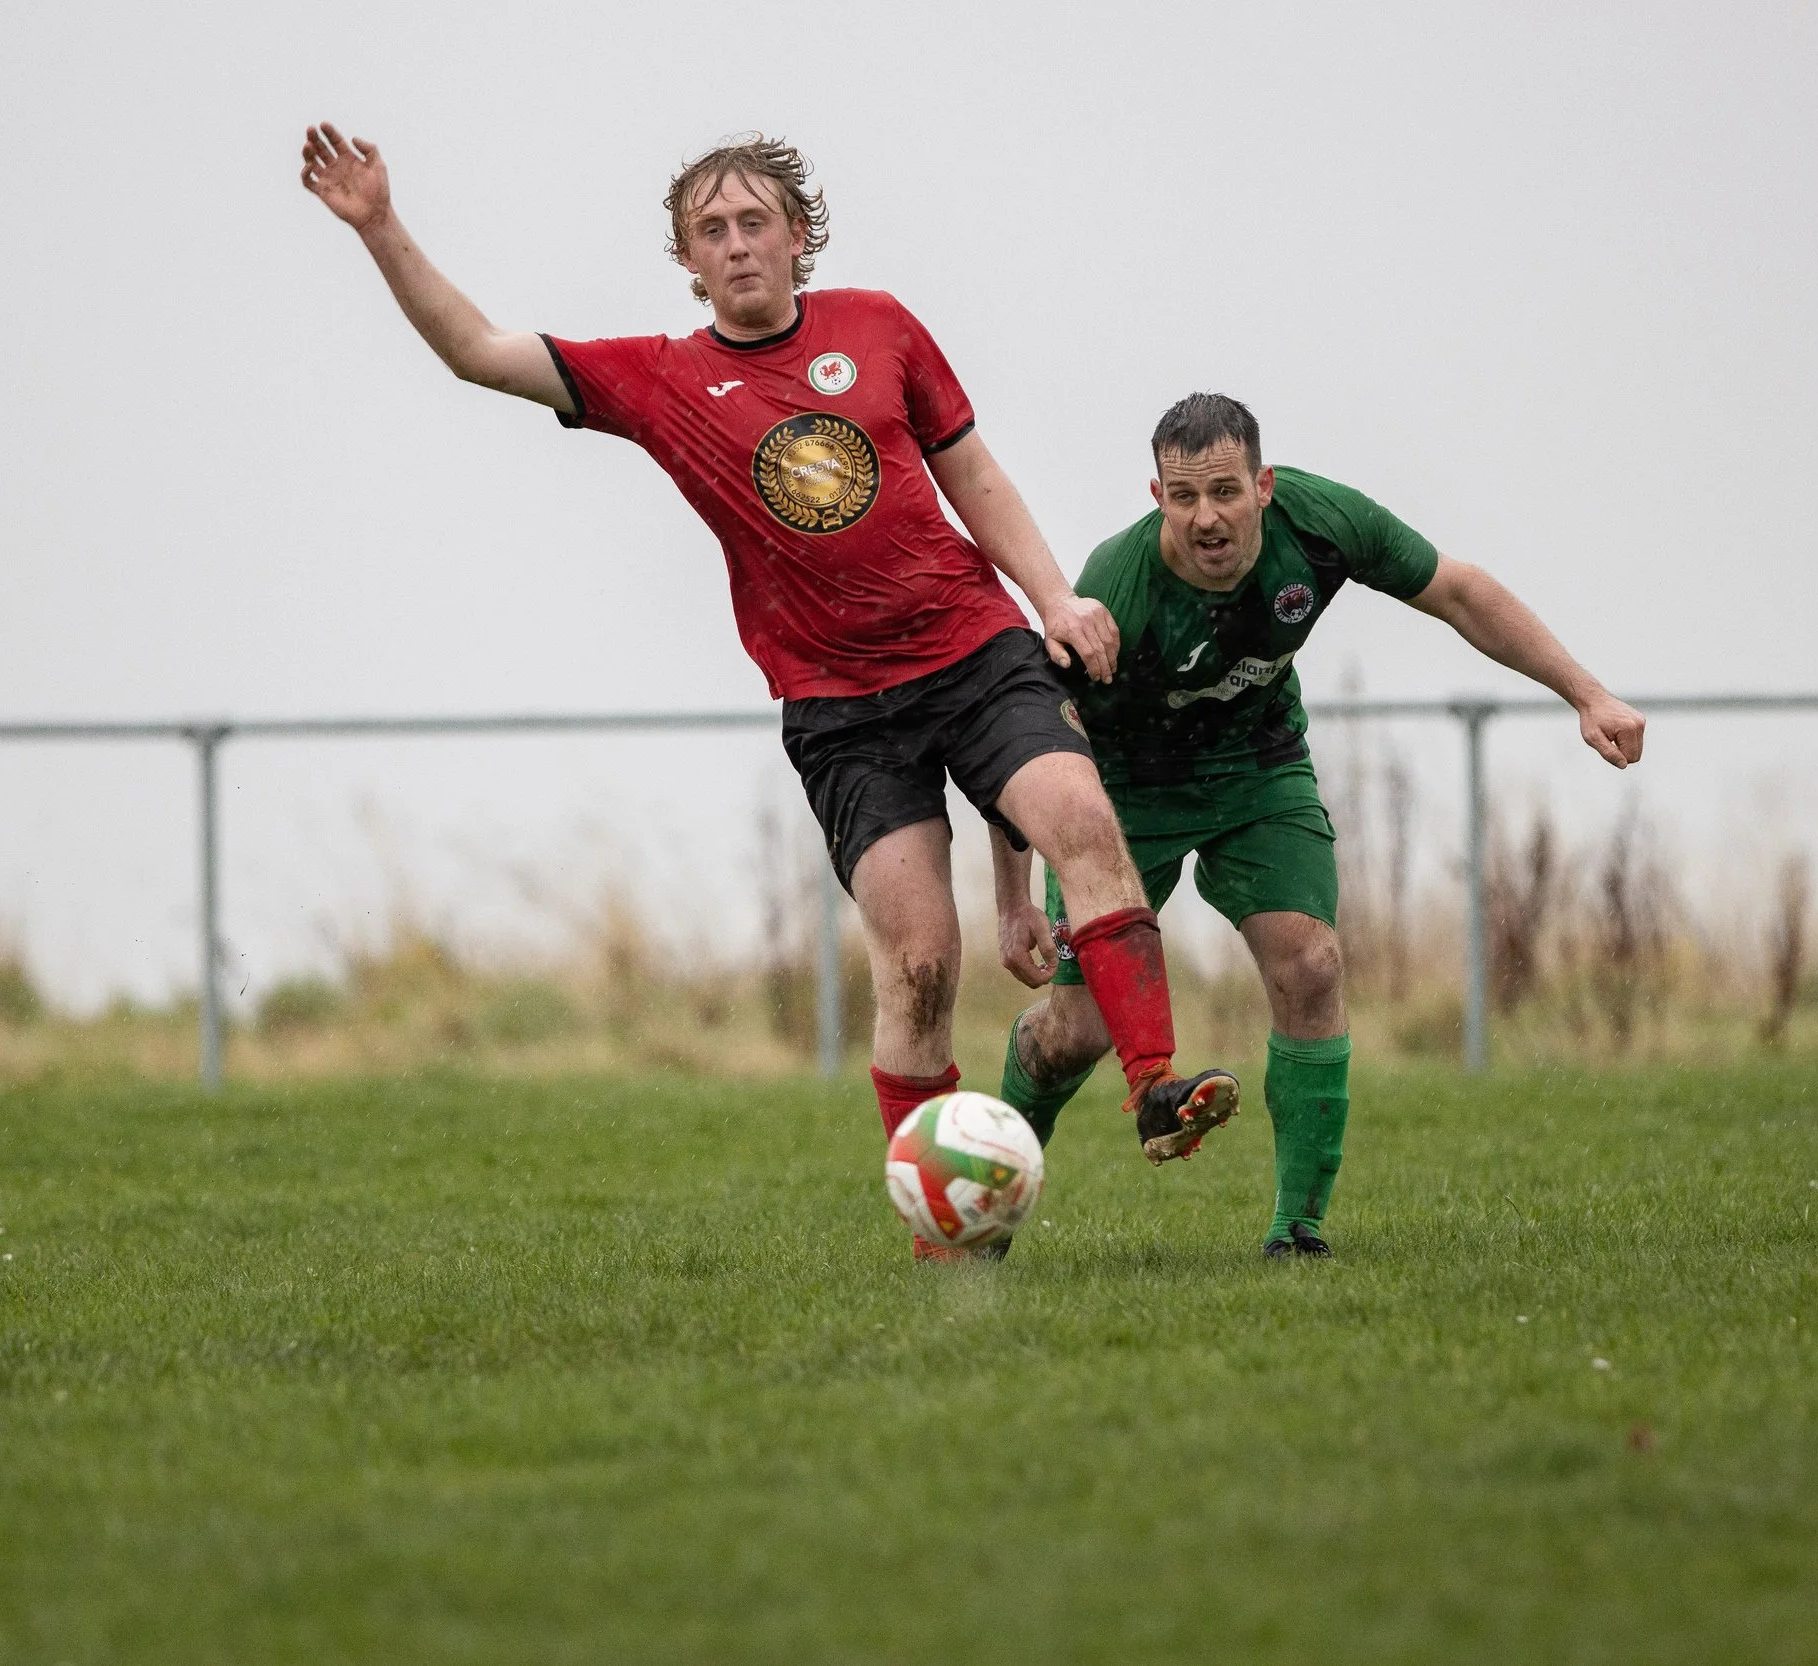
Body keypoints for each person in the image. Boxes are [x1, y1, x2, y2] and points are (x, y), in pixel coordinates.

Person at [298, 127, 1241, 1252]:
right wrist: (379, 226)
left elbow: (972, 473)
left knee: (1085, 820)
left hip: (972, 647)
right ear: (688, 261)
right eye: (713, 230)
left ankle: (1153, 1086)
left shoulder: (881, 328)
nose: (738, 245)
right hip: (841, 707)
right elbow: (477, 351)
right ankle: (946, 1221)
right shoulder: (658, 376)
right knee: (920, 964)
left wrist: (1054, 600)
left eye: (756, 223)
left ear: (800, 236)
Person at [989, 392, 1645, 1259]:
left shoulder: (1324, 524)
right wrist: (1010, 902)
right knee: (1076, 1032)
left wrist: (1586, 692)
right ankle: (982, 1204)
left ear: (1263, 485)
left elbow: (1459, 591)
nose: (1206, 517)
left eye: (1225, 490)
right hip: (1121, 796)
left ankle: (1296, 1234)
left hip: (1258, 772)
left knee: (1312, 963)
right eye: (1184, 498)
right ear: (1157, 498)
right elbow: (1028, 749)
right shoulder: (1114, 588)